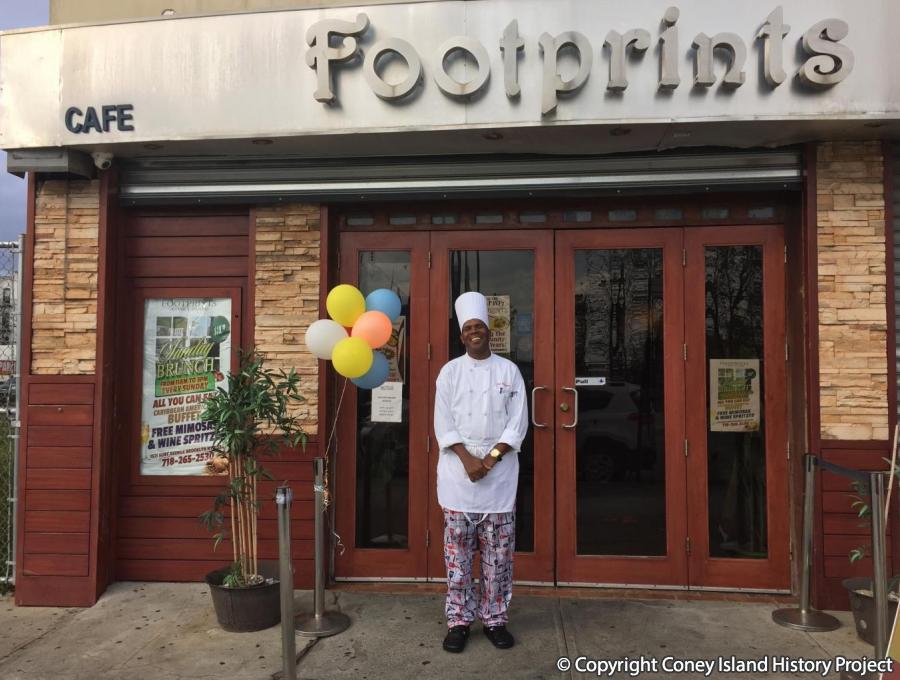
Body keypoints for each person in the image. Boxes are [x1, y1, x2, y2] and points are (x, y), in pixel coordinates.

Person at [433, 291, 529, 653]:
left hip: (499, 479)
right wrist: (468, 461)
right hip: (458, 479)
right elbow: (443, 422)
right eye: (469, 328)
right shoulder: (450, 372)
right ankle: (459, 621)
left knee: (499, 557)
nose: (475, 332)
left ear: (489, 332)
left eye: (480, 327)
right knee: (457, 557)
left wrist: (488, 460)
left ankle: (494, 619)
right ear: (462, 336)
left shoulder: (509, 371)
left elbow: (517, 424)